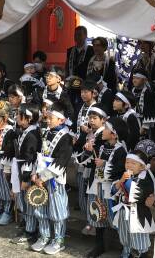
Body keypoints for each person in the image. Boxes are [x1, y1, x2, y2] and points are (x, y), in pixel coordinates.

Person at [31, 100, 73, 255]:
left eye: (51, 118)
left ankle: (59, 240)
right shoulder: (47, 132)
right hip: (41, 177)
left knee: (57, 211)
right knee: (40, 207)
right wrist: (35, 173)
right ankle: (44, 236)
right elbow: (40, 155)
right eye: (47, 117)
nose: (47, 120)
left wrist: (43, 176)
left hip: (54, 179)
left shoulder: (66, 137)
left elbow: (61, 162)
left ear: (61, 120)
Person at [86, 117, 128, 258]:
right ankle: (99, 246)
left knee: (114, 219)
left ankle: (125, 248)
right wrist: (88, 151)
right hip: (97, 186)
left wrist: (104, 164)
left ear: (114, 134)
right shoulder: (102, 146)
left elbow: (119, 170)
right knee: (97, 216)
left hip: (111, 190)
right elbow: (88, 163)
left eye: (106, 128)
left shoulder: (121, 150)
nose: (103, 130)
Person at [112, 150, 155, 258]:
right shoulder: (126, 176)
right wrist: (121, 180)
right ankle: (126, 254)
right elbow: (113, 191)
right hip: (124, 212)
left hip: (137, 215)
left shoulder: (145, 180)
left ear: (142, 167)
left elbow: (136, 195)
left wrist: (126, 181)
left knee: (139, 241)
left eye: (133, 163)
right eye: (127, 162)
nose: (129, 165)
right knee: (125, 238)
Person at [11, 103, 42, 244]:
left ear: (28, 118)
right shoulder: (26, 130)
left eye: (20, 115)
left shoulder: (33, 134)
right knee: (24, 201)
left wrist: (25, 178)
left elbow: (30, 158)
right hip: (21, 167)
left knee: (29, 202)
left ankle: (31, 231)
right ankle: (28, 227)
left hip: (28, 171)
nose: (17, 117)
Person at [77, 103, 107, 236]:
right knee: (90, 194)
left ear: (103, 120)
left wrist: (91, 149)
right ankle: (92, 222)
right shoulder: (91, 133)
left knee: (97, 196)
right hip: (92, 170)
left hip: (101, 171)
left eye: (95, 118)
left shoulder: (103, 134)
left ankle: (96, 224)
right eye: (90, 118)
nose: (91, 121)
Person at [73, 79, 97, 215]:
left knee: (87, 180)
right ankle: (83, 207)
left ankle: (90, 213)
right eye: (82, 91)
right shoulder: (80, 106)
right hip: (79, 147)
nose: (83, 94)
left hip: (90, 149)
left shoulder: (98, 108)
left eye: (86, 92)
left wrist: (89, 130)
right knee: (80, 178)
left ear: (93, 93)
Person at [132, 69, 155, 142]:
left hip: (152, 126)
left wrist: (144, 128)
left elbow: (150, 111)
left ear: (144, 80)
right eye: (134, 78)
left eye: (137, 78)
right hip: (139, 121)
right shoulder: (133, 90)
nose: (134, 80)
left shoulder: (149, 92)